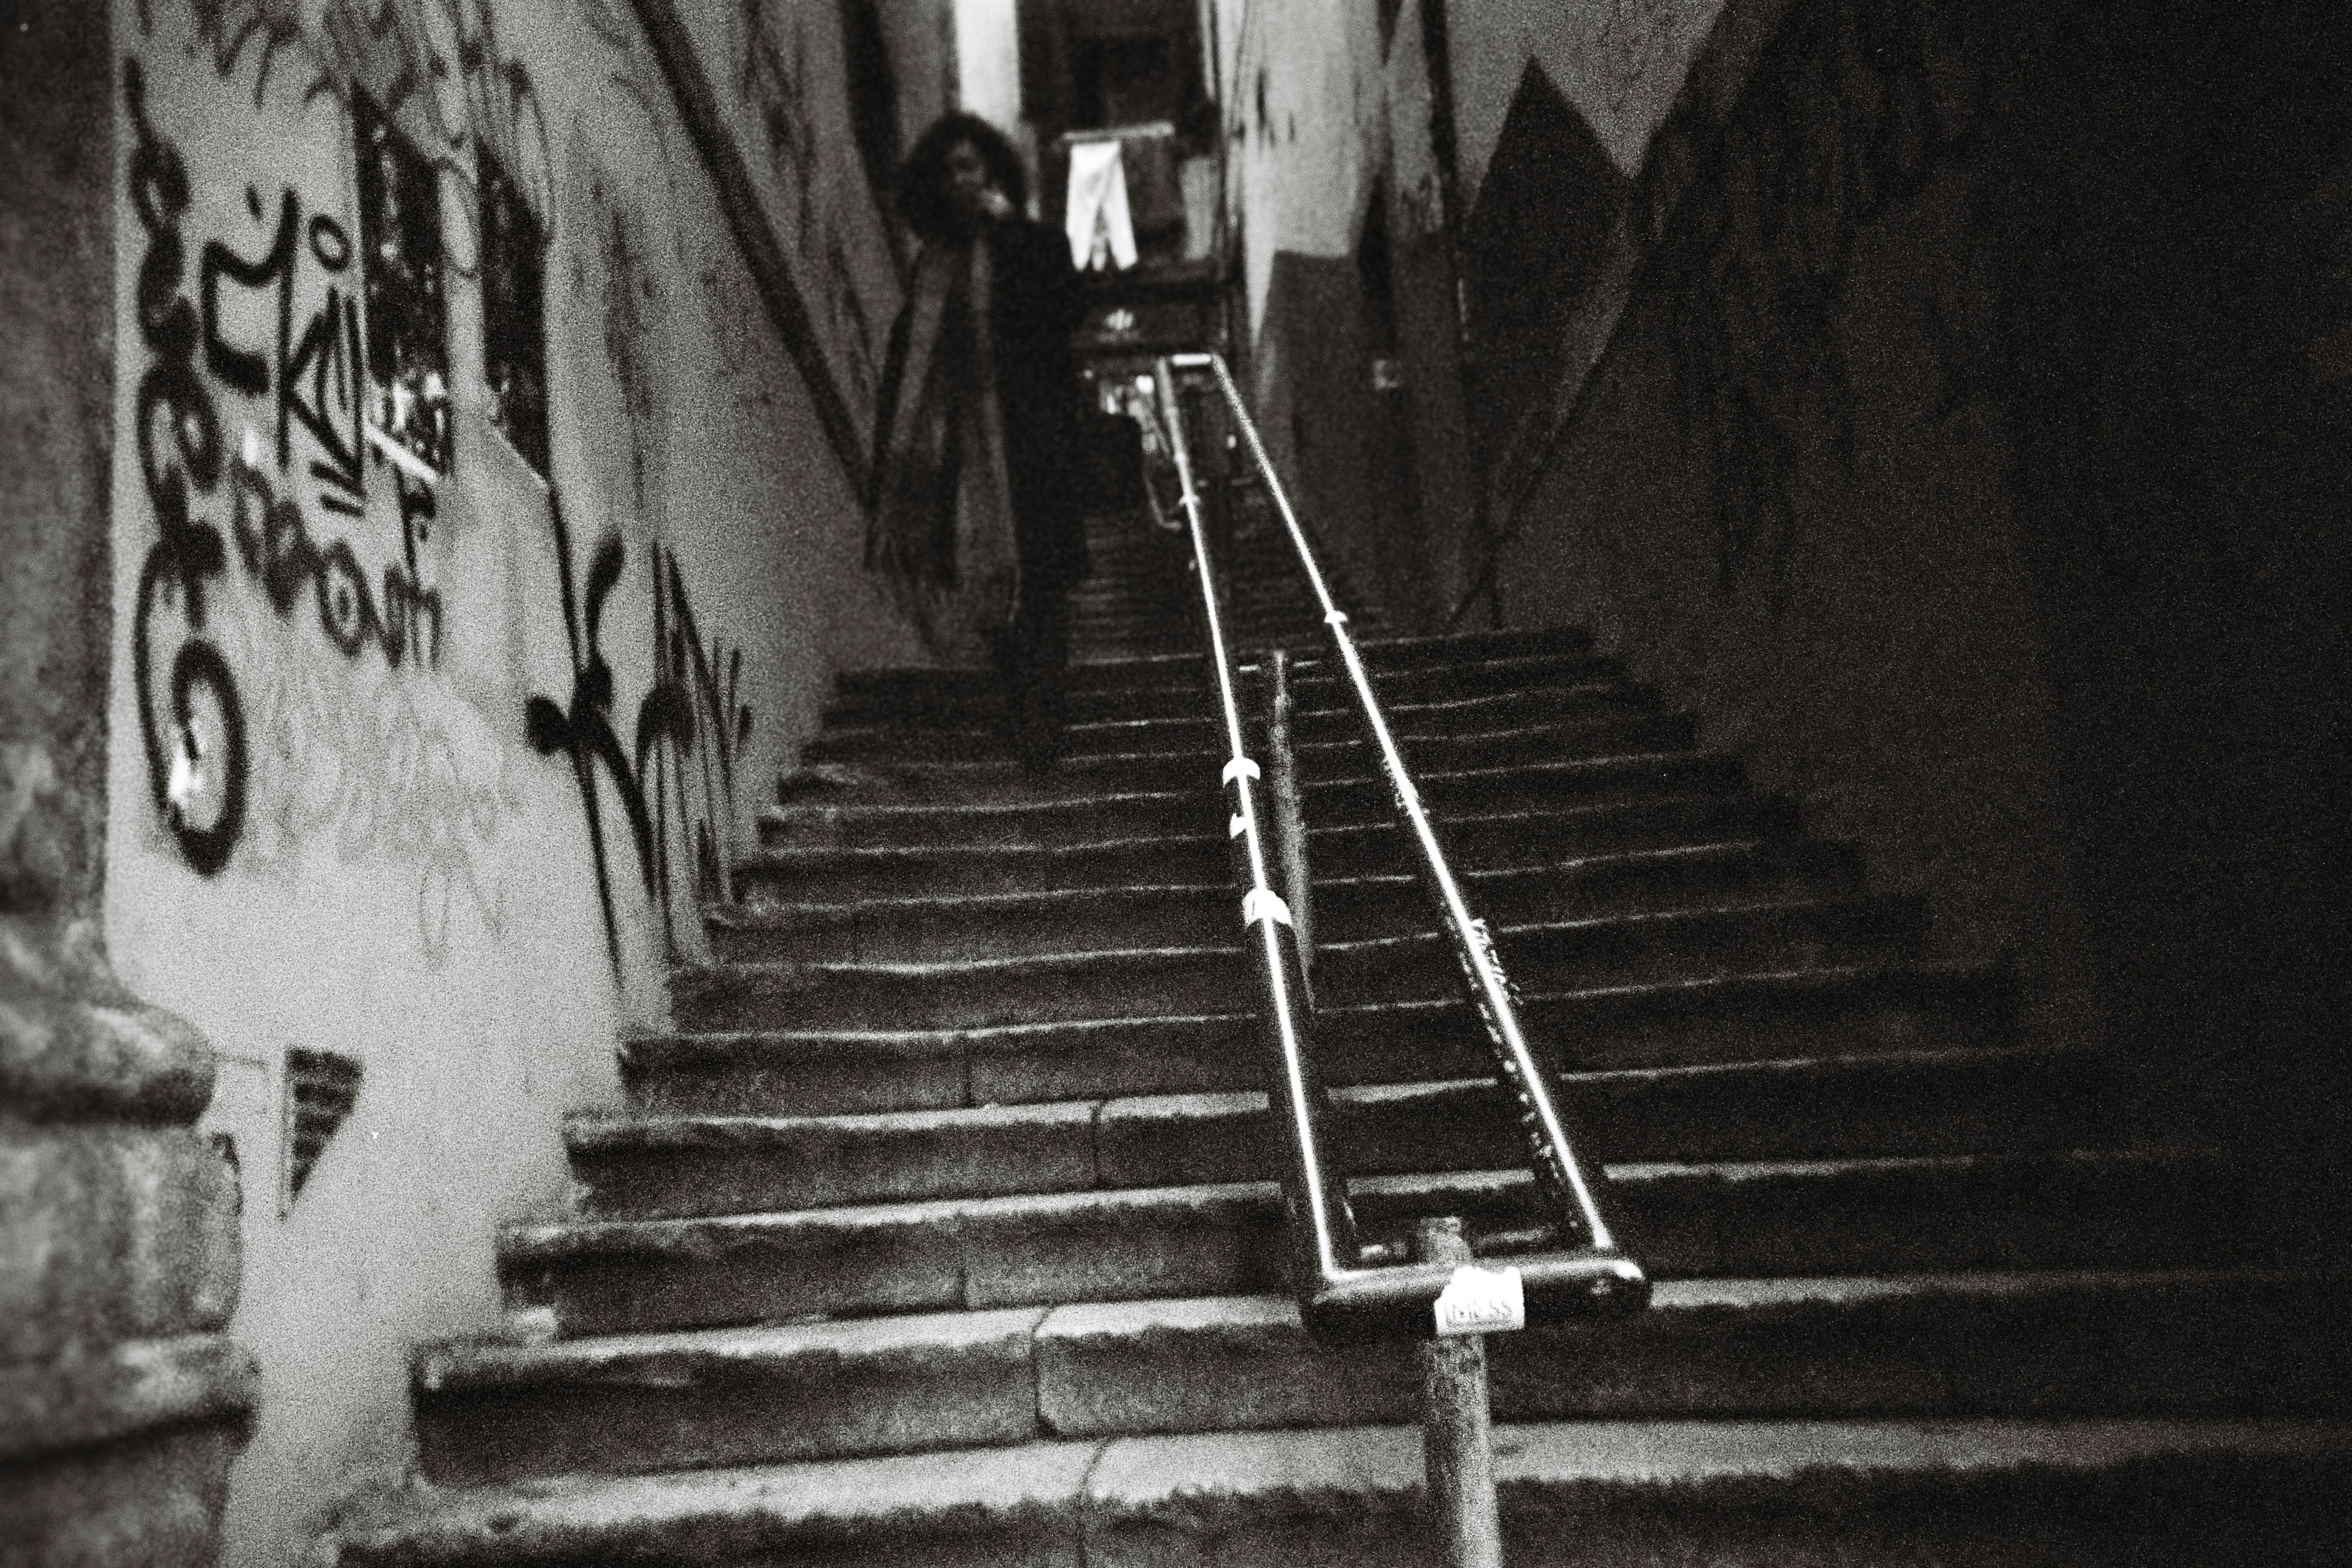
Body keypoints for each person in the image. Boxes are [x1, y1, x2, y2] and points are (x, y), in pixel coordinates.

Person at [869, 113, 1090, 771]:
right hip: (965, 456)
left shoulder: (1031, 244)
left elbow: (1067, 307)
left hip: (1030, 447)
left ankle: (1042, 719)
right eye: (952, 169)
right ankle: (1021, 707)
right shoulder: (931, 266)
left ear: (994, 172)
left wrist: (1012, 227)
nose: (962, 179)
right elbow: (905, 363)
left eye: (973, 166)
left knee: (1042, 586)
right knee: (988, 587)